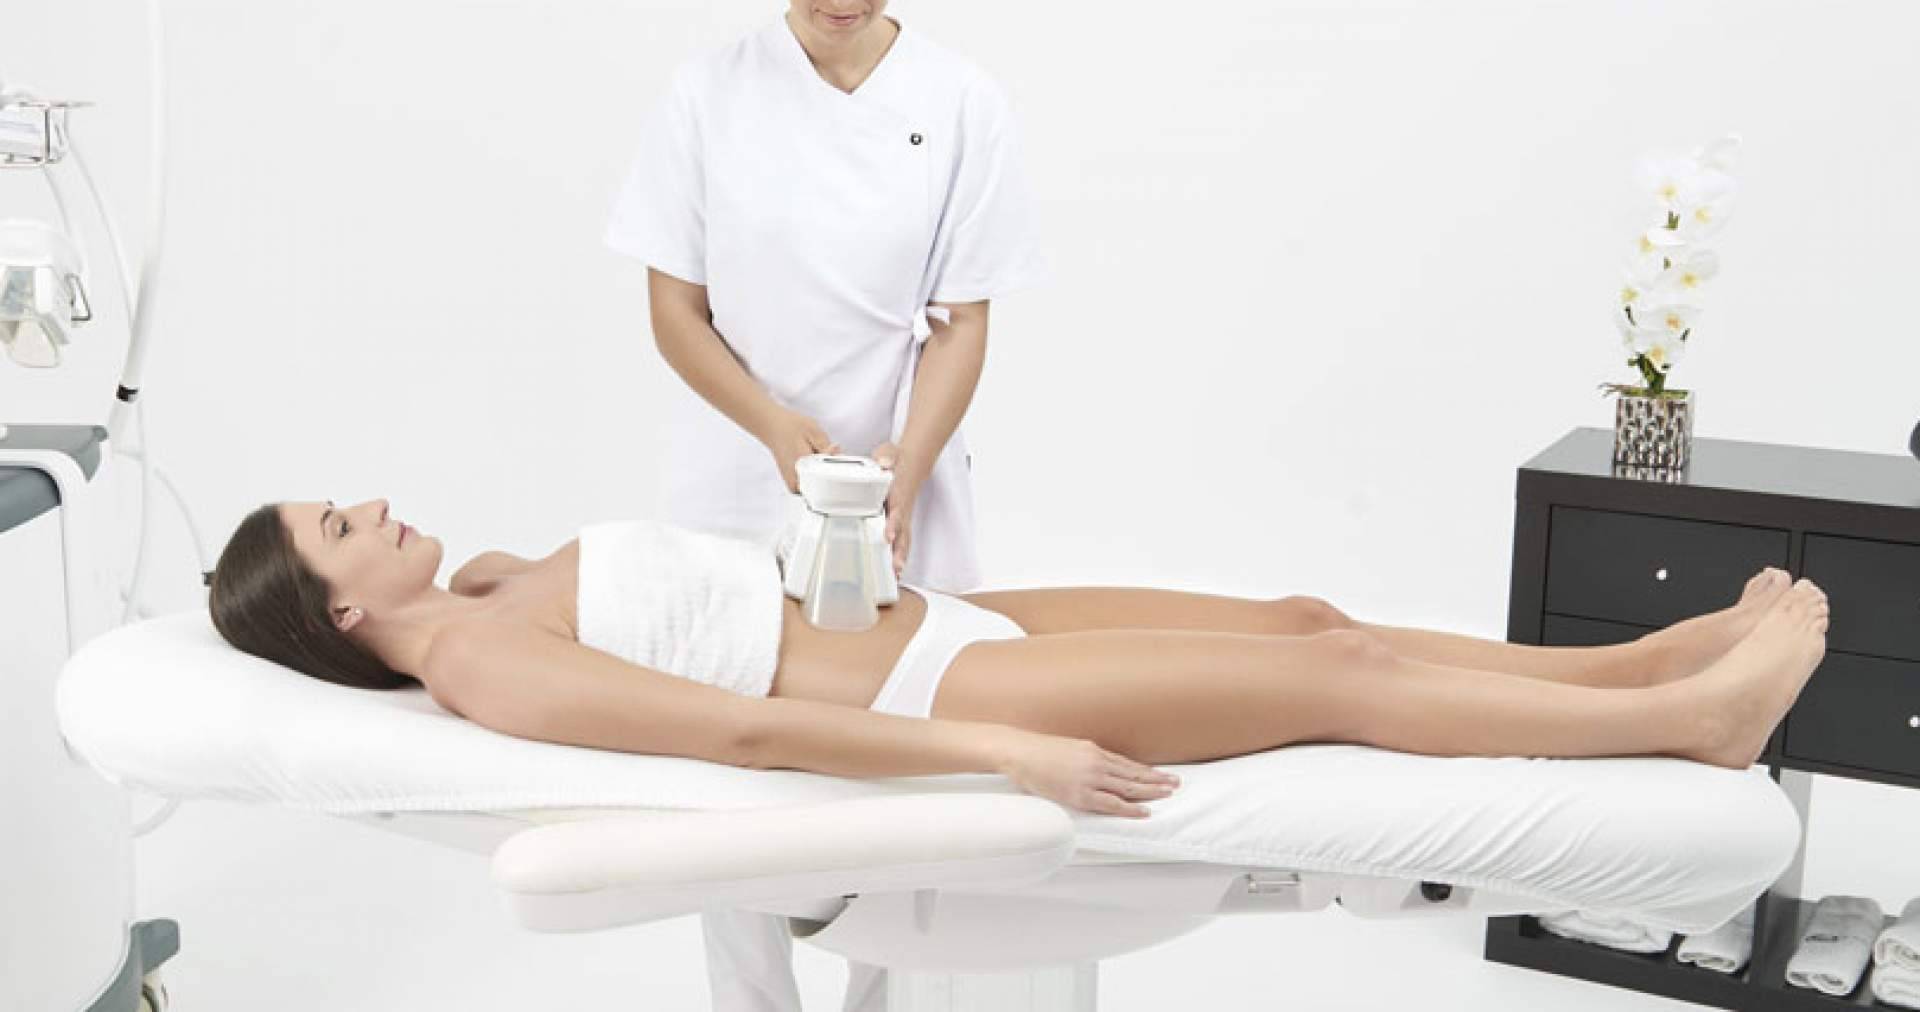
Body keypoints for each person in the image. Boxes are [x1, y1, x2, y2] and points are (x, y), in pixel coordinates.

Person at [210, 499, 1829, 813]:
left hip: (941, 616)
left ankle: (1634, 666)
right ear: (339, 612)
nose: (373, 505)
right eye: (343, 526)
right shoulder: (485, 667)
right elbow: (738, 734)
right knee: (1340, 688)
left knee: (1304, 624)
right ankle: (1690, 727)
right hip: (937, 688)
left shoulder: (493, 583)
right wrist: (1003, 751)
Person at [606, 2, 1043, 1004]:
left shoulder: (960, 100)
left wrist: (907, 469)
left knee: (906, 755)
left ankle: (884, 996)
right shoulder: (706, 95)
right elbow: (675, 310)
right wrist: (771, 426)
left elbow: (963, 320)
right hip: (736, 474)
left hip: (900, 475)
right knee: (734, 768)